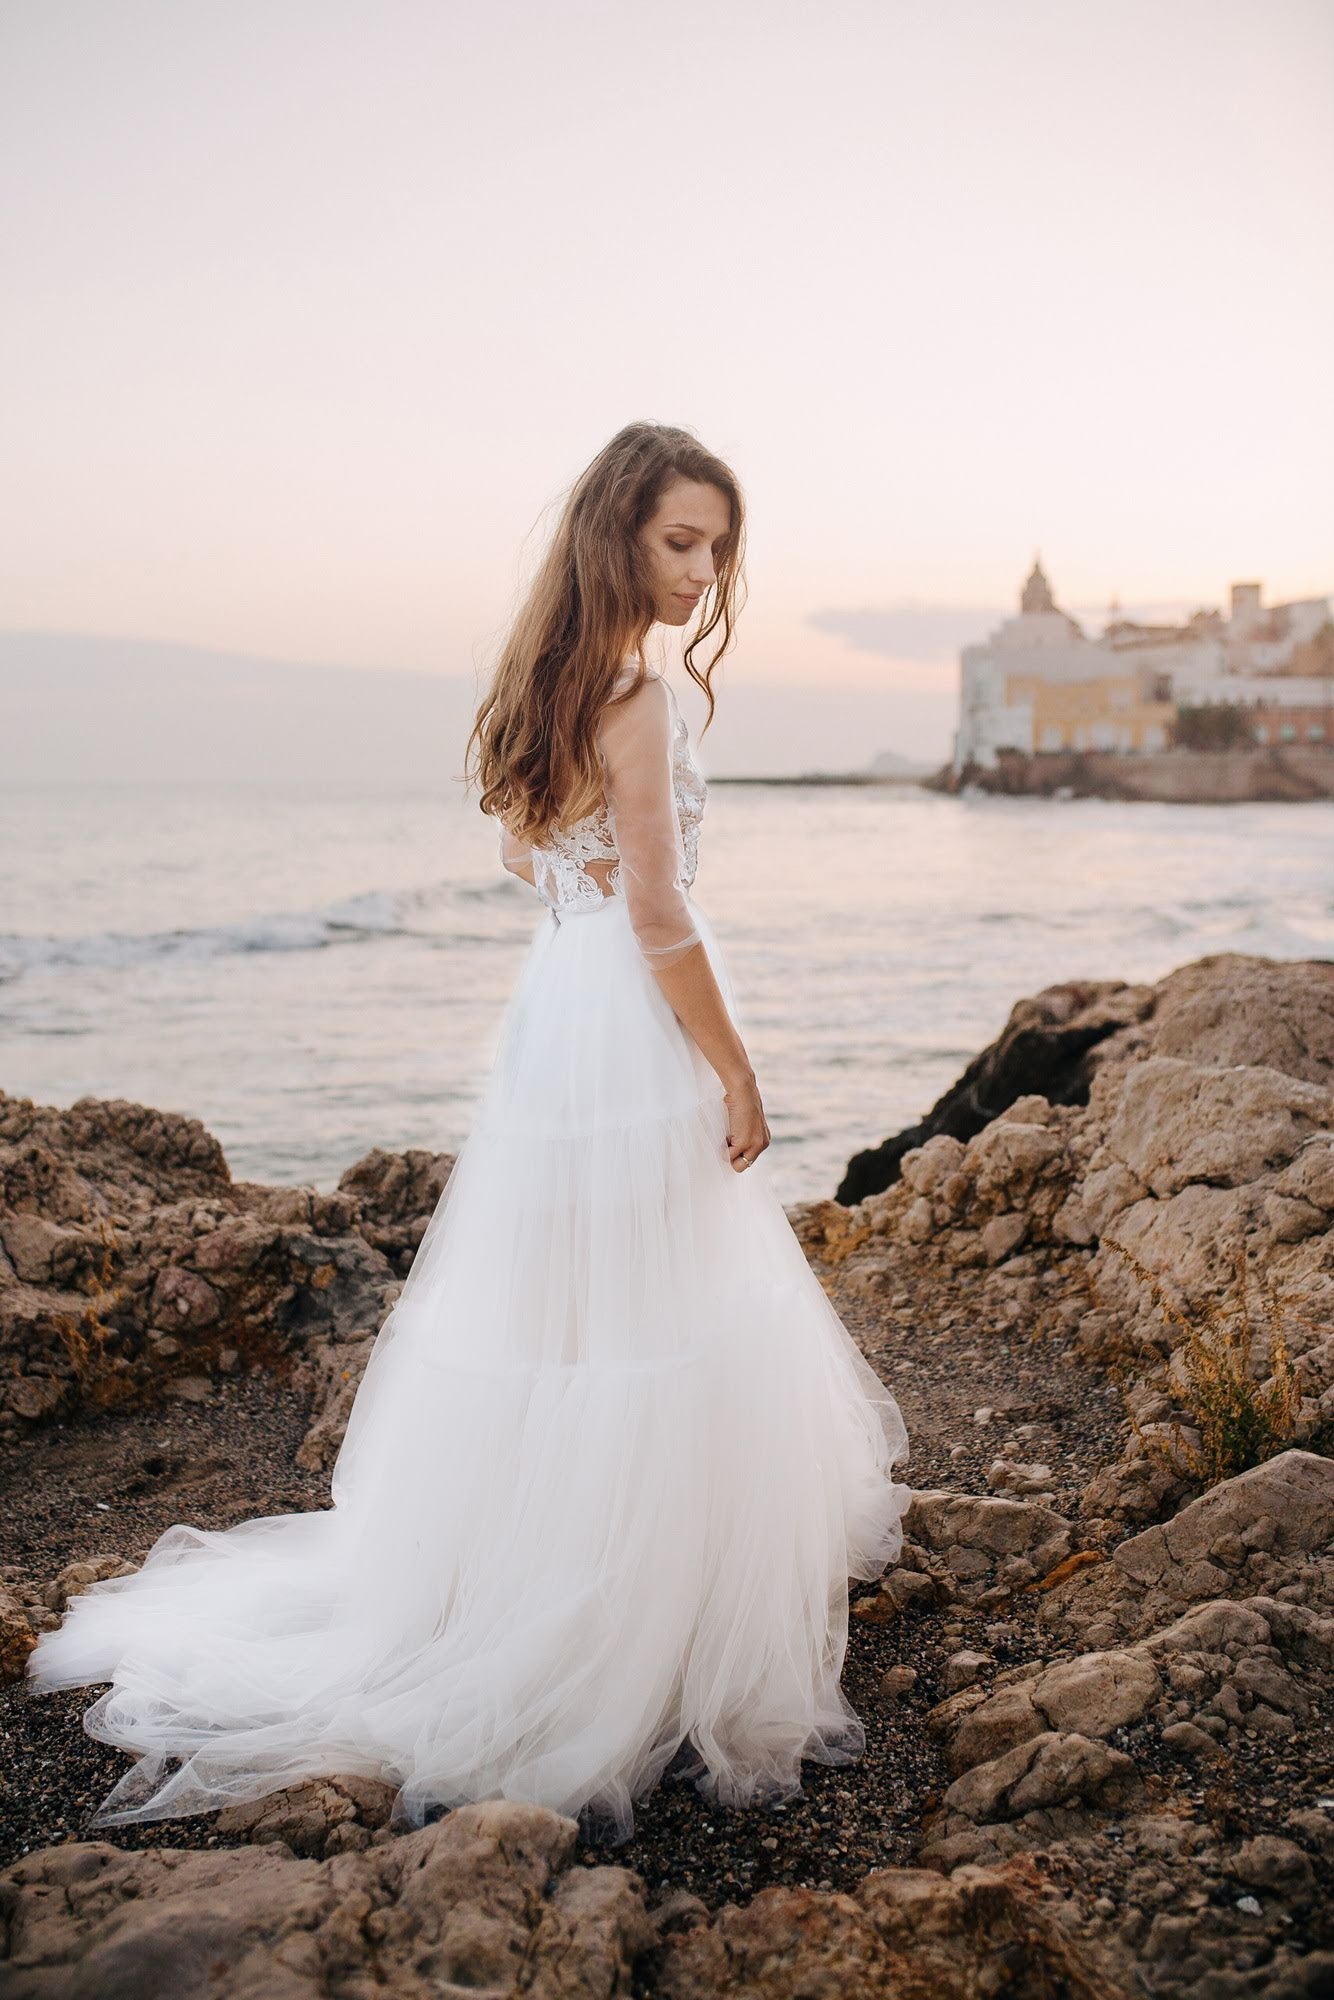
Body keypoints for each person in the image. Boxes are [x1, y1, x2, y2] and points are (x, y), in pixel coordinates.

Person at [27, 421, 912, 1846]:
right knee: (654, 1305)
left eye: (718, 547)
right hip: (624, 1012)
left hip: (557, 1017)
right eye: (681, 540)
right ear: (616, 534)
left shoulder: (545, 685)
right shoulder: (643, 697)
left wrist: (601, 938)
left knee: (568, 1311)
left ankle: (535, 1574)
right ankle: (626, 1623)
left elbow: (529, 857)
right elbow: (661, 911)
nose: (703, 571)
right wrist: (736, 1068)